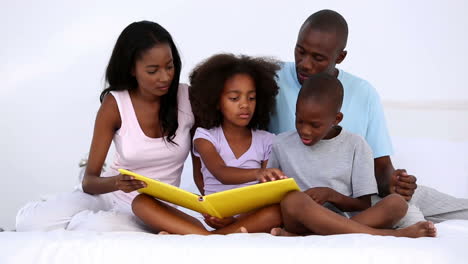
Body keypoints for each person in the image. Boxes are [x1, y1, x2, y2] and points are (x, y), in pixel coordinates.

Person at [269, 9, 468, 226]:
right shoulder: (269, 81)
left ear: (340, 57)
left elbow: (381, 167)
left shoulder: (364, 93)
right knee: (412, 219)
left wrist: (394, 183)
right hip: (307, 202)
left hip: (359, 199)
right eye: (300, 51)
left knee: (451, 207)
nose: (305, 64)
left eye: (318, 58)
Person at [16, 21, 194, 231]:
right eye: (153, 70)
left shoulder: (187, 98)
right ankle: (64, 209)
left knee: (91, 227)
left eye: (169, 66)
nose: (165, 77)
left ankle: (78, 219)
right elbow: (90, 181)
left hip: (150, 208)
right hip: (110, 194)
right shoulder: (115, 104)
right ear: (131, 69)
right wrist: (117, 182)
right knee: (30, 222)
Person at [131, 53, 286, 235]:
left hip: (247, 217)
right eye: (234, 98)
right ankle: (215, 234)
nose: (245, 105)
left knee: (278, 210)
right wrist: (258, 173)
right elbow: (220, 172)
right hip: (212, 214)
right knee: (141, 202)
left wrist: (237, 218)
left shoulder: (268, 140)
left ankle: (210, 237)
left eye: (251, 98)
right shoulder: (205, 136)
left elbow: (264, 193)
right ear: (217, 102)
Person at [269, 73, 436, 238]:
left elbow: (363, 204)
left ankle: (308, 236)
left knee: (397, 203)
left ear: (337, 119)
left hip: (346, 219)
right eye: (299, 121)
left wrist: (330, 195)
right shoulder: (280, 144)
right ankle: (390, 234)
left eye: (315, 125)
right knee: (293, 200)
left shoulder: (356, 145)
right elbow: (270, 193)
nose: (305, 130)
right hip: (299, 220)